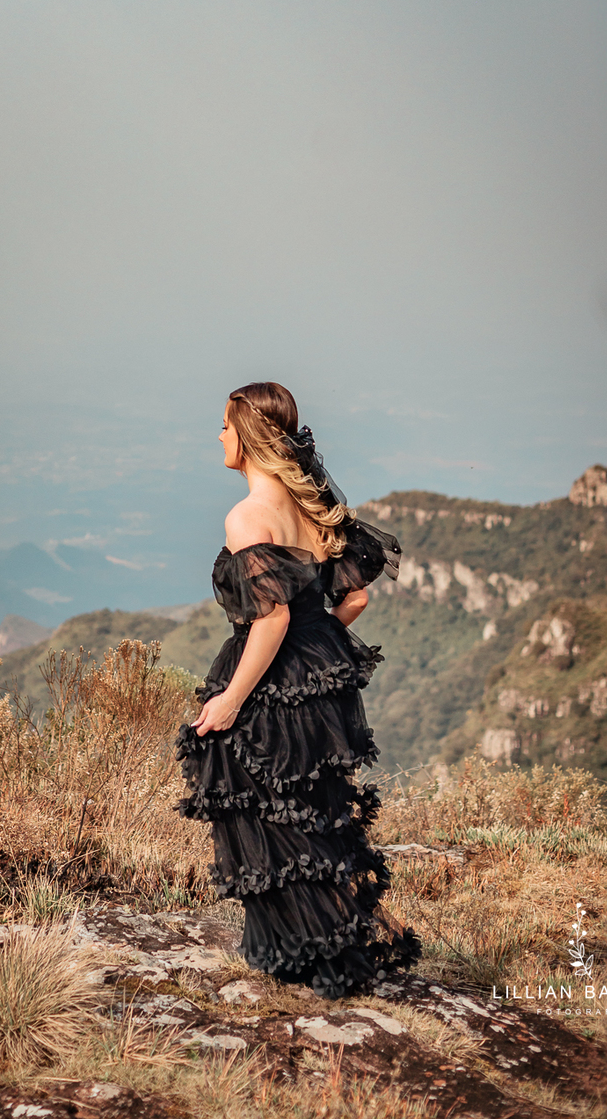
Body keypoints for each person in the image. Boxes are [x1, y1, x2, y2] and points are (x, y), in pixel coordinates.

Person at [175, 381, 423, 996]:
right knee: (315, 811)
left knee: (264, 807)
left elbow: (272, 618)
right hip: (320, 678)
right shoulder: (312, 508)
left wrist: (232, 699)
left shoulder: (248, 516)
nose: (219, 435)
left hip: (276, 674)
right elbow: (355, 596)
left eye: (226, 425)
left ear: (250, 436)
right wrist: (320, 649)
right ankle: (338, 937)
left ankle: (306, 951)